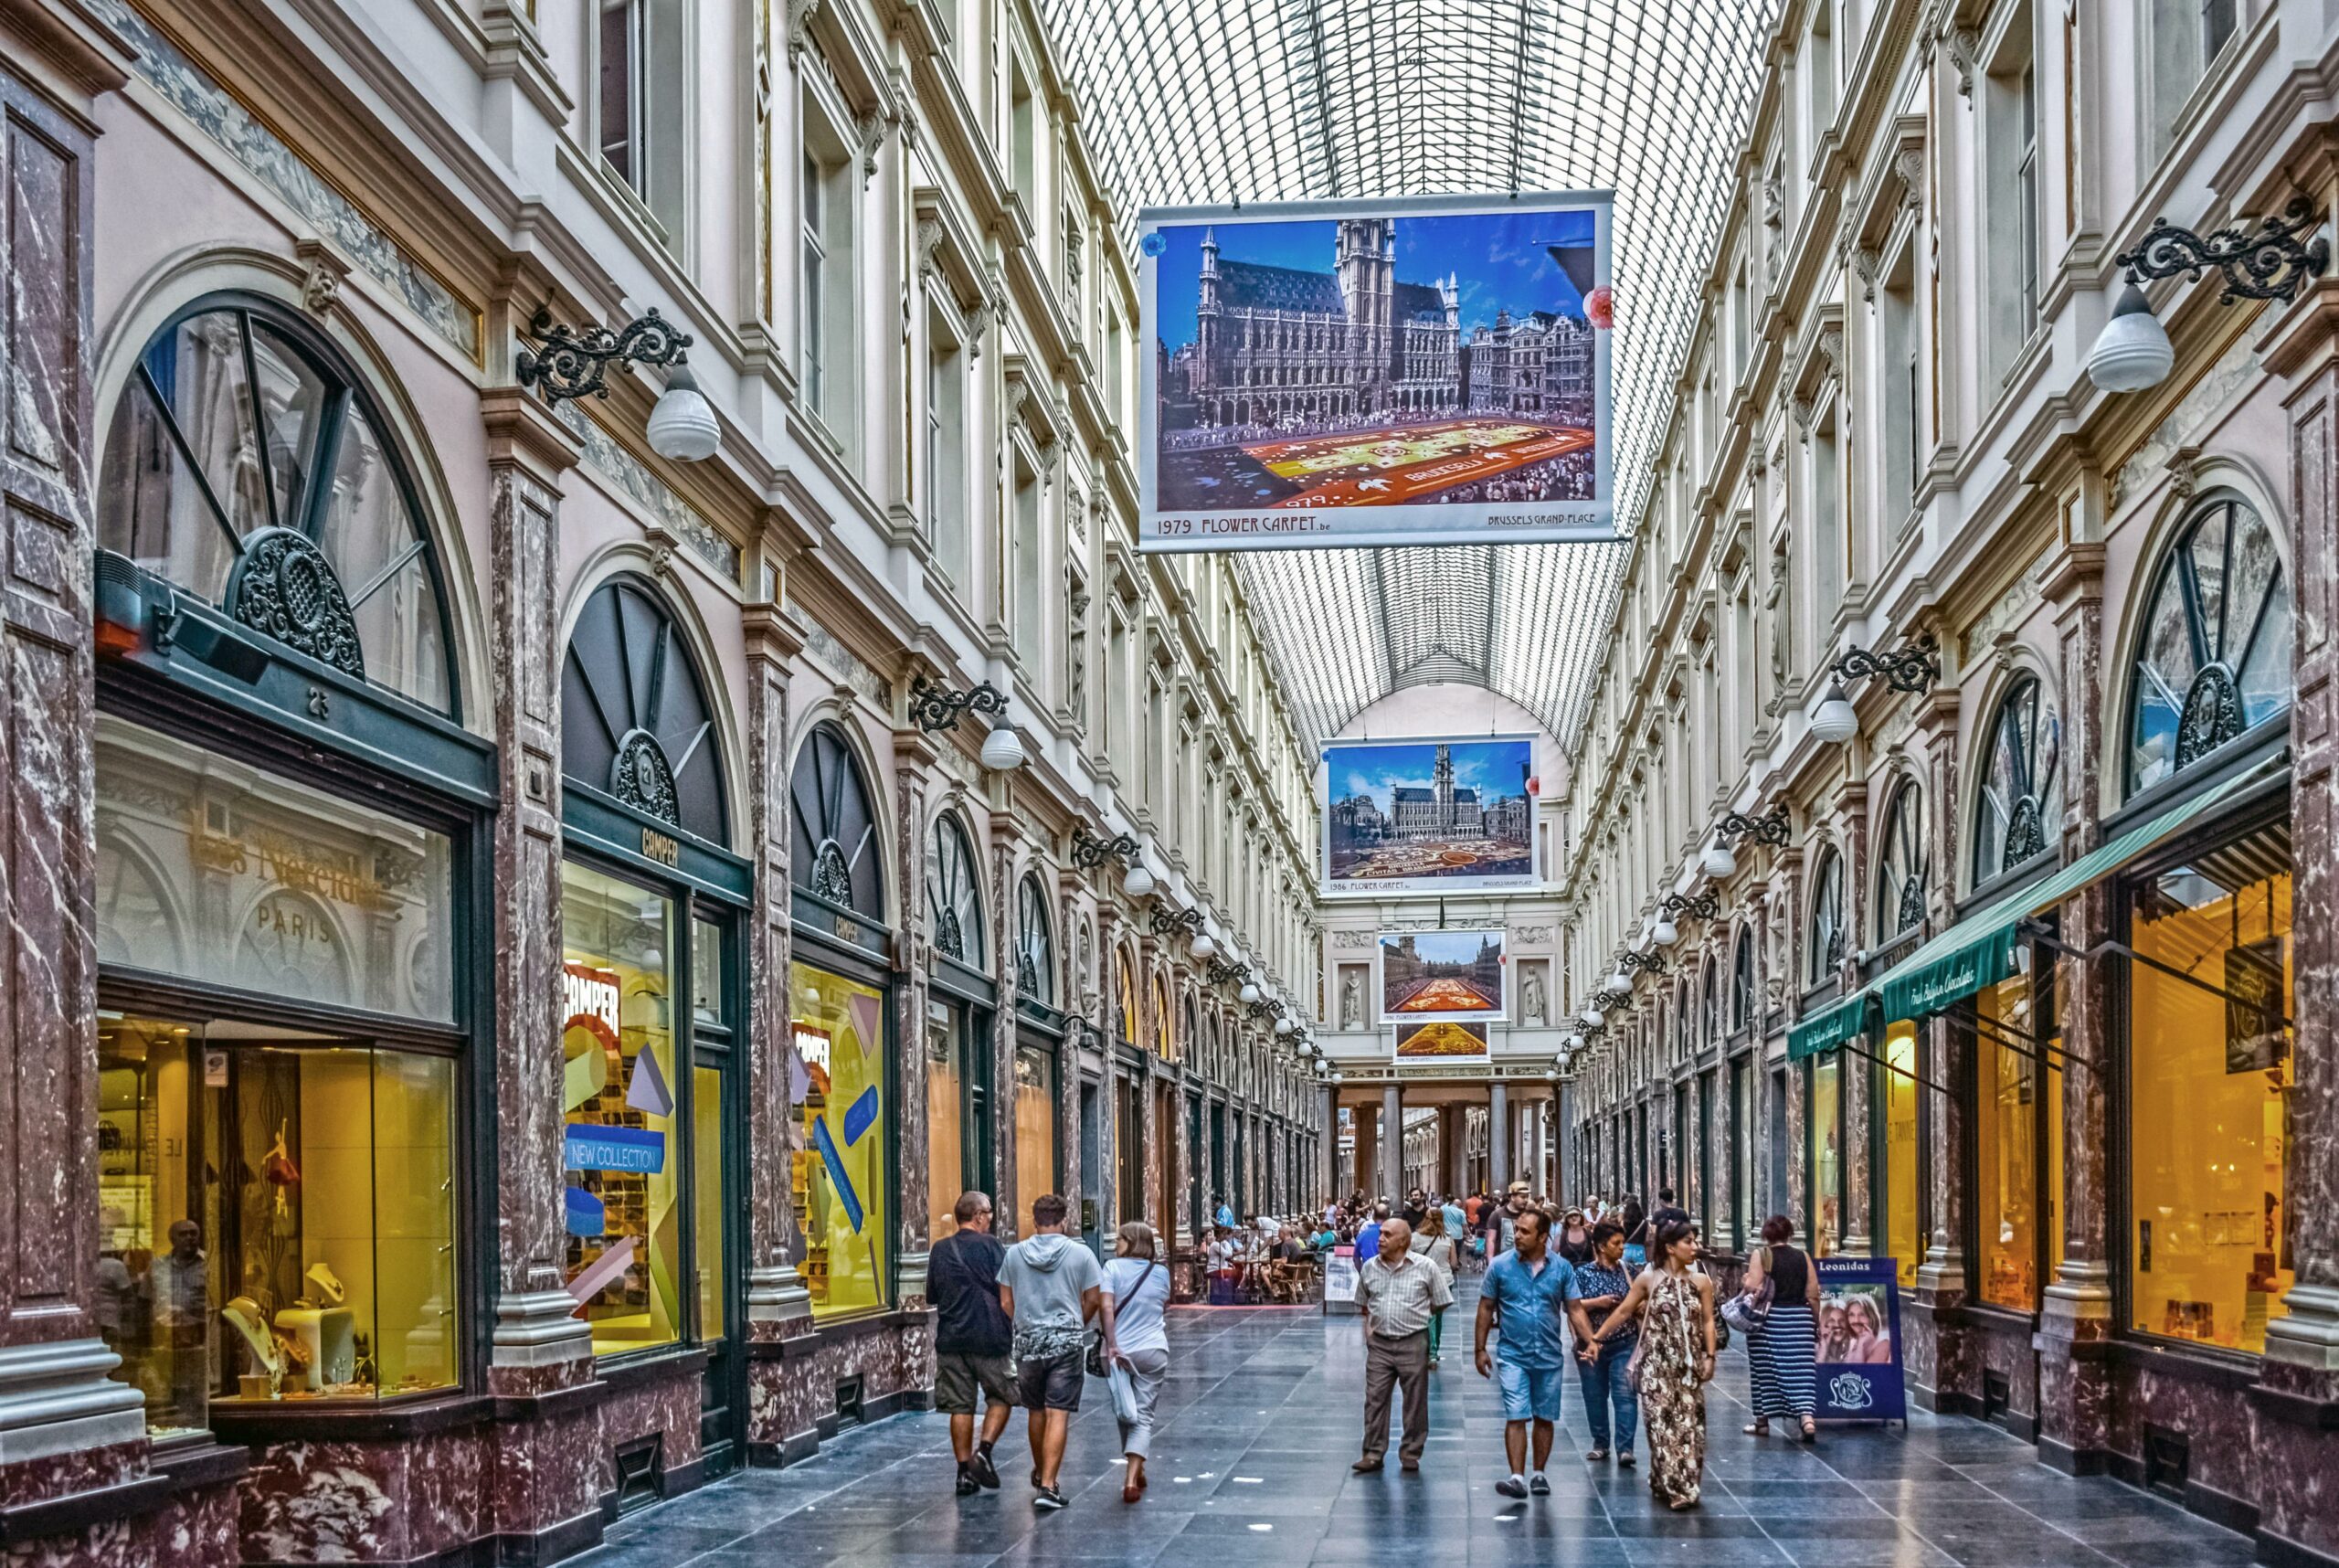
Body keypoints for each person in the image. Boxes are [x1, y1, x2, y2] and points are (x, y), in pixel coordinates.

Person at [1584, 1219, 1715, 1510]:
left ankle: (1679, 1483)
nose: (1695, 1247)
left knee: (1690, 1428)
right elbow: (1623, 1311)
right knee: (1661, 1426)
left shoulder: (1701, 1282)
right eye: (1688, 1242)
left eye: (1695, 1241)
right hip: (1656, 1366)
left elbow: (1707, 1320)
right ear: (1670, 1248)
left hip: (1688, 1365)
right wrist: (1596, 1338)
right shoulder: (1649, 1279)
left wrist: (1710, 1356)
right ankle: (1671, 1484)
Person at [999, 1192, 1103, 1510]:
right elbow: (1094, 1298)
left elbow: (1005, 1301)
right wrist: (1076, 1324)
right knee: (1059, 1411)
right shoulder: (1081, 1254)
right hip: (1066, 1341)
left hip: (1028, 1342)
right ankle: (1048, 1485)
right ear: (1064, 1221)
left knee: (1035, 1410)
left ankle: (1042, 1471)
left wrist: (1026, 1323)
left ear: (1034, 1220)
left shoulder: (1014, 1255)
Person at [1474, 1206, 1580, 1498]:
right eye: (1516, 1230)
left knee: (1544, 1417)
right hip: (1512, 1354)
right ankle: (1517, 1477)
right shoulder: (1500, 1266)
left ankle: (1539, 1473)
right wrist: (1480, 1348)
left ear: (1543, 1237)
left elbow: (1574, 1308)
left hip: (1548, 1354)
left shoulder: (1561, 1269)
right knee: (1516, 1414)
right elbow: (1485, 1306)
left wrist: (1589, 1340)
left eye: (1524, 1231)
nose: (1517, 1235)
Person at [928, 1192, 1015, 1495]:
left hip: (952, 1339)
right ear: (978, 1215)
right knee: (1004, 1396)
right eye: (989, 1211)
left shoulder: (940, 1249)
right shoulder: (991, 1245)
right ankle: (984, 1451)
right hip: (990, 1337)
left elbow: (932, 1295)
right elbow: (1007, 1287)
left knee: (960, 1407)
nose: (991, 1217)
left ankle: (964, 1472)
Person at [1352, 1218, 1449, 1474]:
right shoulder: (1370, 1267)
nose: (1380, 1238)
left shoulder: (1426, 1267)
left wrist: (1417, 1317)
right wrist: (1370, 1334)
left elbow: (1440, 1301)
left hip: (1413, 1341)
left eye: (1387, 1234)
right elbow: (1364, 1303)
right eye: (1381, 1233)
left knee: (1415, 1402)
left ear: (1403, 1241)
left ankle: (1410, 1452)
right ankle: (1373, 1453)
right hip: (1380, 1344)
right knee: (1374, 1400)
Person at [1099, 1222, 1170, 1503]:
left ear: (1131, 1242)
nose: (1116, 1243)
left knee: (1124, 1411)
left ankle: (1131, 1476)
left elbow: (1106, 1306)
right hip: (1153, 1349)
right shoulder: (1162, 1272)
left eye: (1120, 1239)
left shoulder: (1112, 1269)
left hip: (1117, 1352)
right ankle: (1134, 1473)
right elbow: (1161, 1304)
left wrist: (1113, 1342)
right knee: (1142, 1415)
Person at [1741, 1214, 1821, 1440]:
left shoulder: (1762, 1254)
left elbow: (1753, 1287)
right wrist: (1816, 1322)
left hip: (1769, 1321)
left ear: (1766, 1234)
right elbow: (1813, 1294)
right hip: (1799, 1320)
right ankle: (1807, 1419)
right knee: (1803, 1371)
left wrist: (1744, 1281)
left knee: (1764, 1370)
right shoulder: (1803, 1256)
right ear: (1790, 1234)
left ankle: (1762, 1421)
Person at [1569, 1221, 1639, 1467]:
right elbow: (1573, 1305)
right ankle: (1600, 1443)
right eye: (1616, 1244)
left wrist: (1629, 1307)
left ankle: (1625, 1448)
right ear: (1601, 1246)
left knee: (1625, 1395)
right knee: (1594, 1395)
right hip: (1590, 1344)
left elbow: (1642, 1302)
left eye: (1623, 1243)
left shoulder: (1630, 1272)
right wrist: (1597, 1302)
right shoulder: (1583, 1273)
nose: (1622, 1248)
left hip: (1624, 1341)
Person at [1410, 1209, 1457, 1364]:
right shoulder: (1447, 1238)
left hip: (1422, 1280)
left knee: (1428, 1316)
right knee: (1437, 1316)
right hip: (1445, 1280)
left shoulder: (1415, 1238)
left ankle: (1430, 1352)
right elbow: (1454, 1263)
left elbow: (1408, 1259)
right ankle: (1434, 1350)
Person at [1844, 1294, 1892, 1362]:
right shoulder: (1853, 1342)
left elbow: (1860, 1372)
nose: (1856, 1320)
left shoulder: (1883, 1344)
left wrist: (1861, 1346)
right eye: (1851, 1315)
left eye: (1862, 1314)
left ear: (1871, 1317)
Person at [1619, 1196, 1648, 1268]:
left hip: (1626, 1249)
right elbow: (1647, 1239)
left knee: (1625, 1273)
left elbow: (1621, 1237)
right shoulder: (1644, 1222)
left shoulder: (1623, 1222)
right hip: (1640, 1250)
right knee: (1639, 1274)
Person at [1354, 1202, 1387, 1267]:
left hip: (1368, 1273)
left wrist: (1362, 1273)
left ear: (1373, 1217)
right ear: (1388, 1217)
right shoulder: (1392, 1234)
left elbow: (1356, 1259)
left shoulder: (1362, 1235)